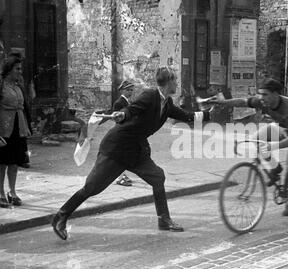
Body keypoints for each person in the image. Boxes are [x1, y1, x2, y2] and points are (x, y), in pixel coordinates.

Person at [51, 66, 216, 240]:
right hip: (118, 148)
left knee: (157, 177)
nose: (177, 83)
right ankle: (61, 216)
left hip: (136, 150)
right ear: (168, 81)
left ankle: (164, 220)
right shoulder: (150, 95)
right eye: (175, 80)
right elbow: (132, 109)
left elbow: (185, 115)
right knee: (93, 187)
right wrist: (122, 115)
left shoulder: (166, 103)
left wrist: (208, 115)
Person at [213, 78, 288, 217]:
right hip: (281, 125)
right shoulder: (263, 101)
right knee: (255, 140)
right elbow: (242, 102)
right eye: (260, 94)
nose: (261, 98)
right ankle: (275, 169)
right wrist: (223, 102)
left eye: (265, 94)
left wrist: (271, 146)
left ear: (276, 94)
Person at [0, 53, 32, 208]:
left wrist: (27, 128)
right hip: (4, 129)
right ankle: (0, 193)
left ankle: (12, 192)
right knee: (2, 163)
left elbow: (24, 108)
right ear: (9, 69)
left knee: (14, 163)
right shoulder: (1, 86)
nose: (20, 71)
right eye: (17, 69)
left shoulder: (18, 86)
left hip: (19, 129)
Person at [111, 80, 135, 187]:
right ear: (122, 91)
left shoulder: (129, 102)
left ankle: (122, 175)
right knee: (120, 156)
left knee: (125, 156)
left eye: (131, 90)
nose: (130, 92)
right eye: (128, 90)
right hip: (121, 133)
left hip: (128, 133)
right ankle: (119, 177)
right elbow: (116, 119)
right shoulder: (119, 103)